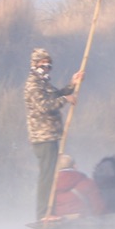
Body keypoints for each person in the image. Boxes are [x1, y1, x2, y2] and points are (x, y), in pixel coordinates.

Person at [24, 48, 80, 218]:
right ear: (35, 65)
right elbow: (44, 106)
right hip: (43, 137)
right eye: (43, 64)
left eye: (49, 65)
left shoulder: (44, 83)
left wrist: (72, 84)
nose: (47, 67)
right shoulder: (33, 84)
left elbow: (56, 94)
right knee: (47, 176)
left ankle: (52, 211)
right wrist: (65, 100)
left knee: (52, 175)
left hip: (52, 135)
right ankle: (43, 214)